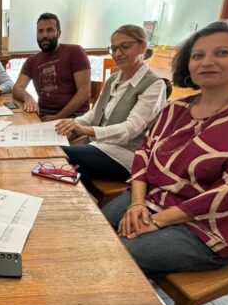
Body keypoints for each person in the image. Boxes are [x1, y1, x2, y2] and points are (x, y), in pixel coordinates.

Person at [102, 20, 228, 279]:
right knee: (93, 232)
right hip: (153, 200)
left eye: (222, 53)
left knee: (119, 254)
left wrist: (157, 221)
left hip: (207, 226)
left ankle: (128, 301)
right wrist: (136, 203)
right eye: (198, 55)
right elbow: (144, 154)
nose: (207, 62)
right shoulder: (176, 109)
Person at [55, 24, 167, 186]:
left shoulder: (155, 84)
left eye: (125, 47)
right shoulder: (113, 79)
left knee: (59, 152)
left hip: (126, 155)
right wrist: (69, 125)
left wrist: (83, 130)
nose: (117, 53)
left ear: (143, 47)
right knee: (74, 173)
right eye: (114, 49)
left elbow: (130, 130)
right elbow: (94, 115)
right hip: (98, 148)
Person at [12, 12, 91, 121]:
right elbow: (17, 88)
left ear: (59, 33)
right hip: (44, 116)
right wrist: (28, 98)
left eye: (49, 30)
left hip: (74, 118)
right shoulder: (32, 61)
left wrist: (58, 117)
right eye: (40, 31)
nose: (44, 35)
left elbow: (84, 92)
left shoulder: (75, 52)